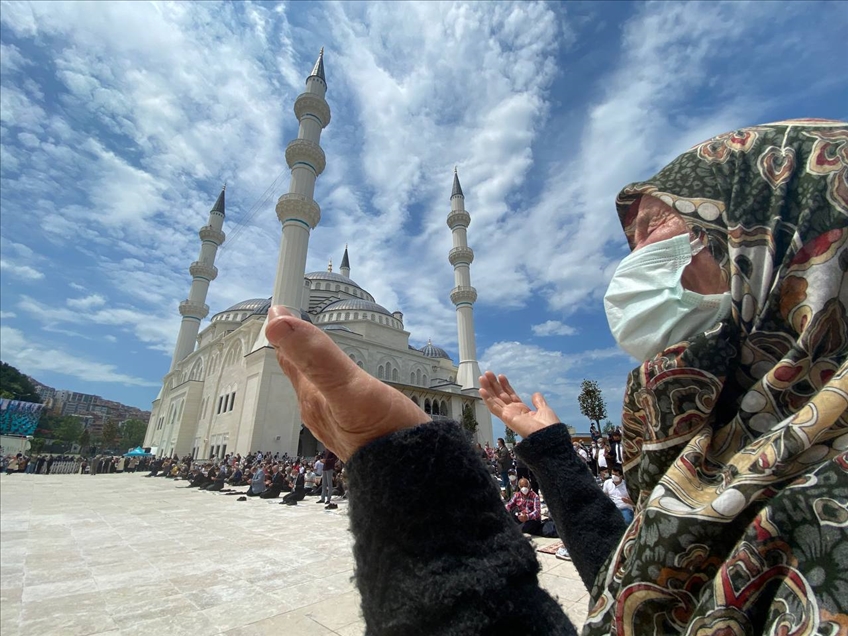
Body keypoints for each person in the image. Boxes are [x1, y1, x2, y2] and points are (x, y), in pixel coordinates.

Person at [265, 119, 848, 635]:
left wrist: (407, 479)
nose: (631, 265)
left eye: (652, 228)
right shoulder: (739, 445)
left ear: (777, 242)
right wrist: (552, 454)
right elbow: (641, 590)